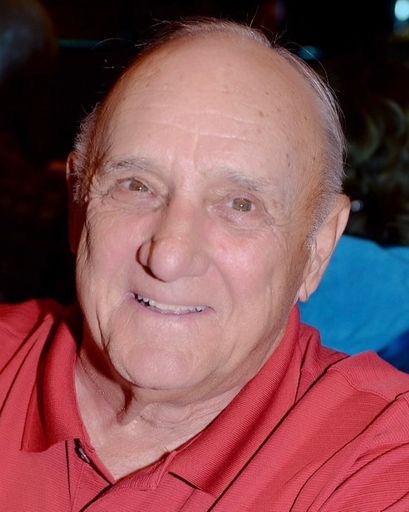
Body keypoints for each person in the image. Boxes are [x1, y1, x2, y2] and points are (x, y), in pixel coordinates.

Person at [1, 19, 409, 511]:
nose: (169, 257)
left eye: (240, 205)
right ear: (77, 205)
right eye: (136, 186)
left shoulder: (383, 458)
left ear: (318, 249)